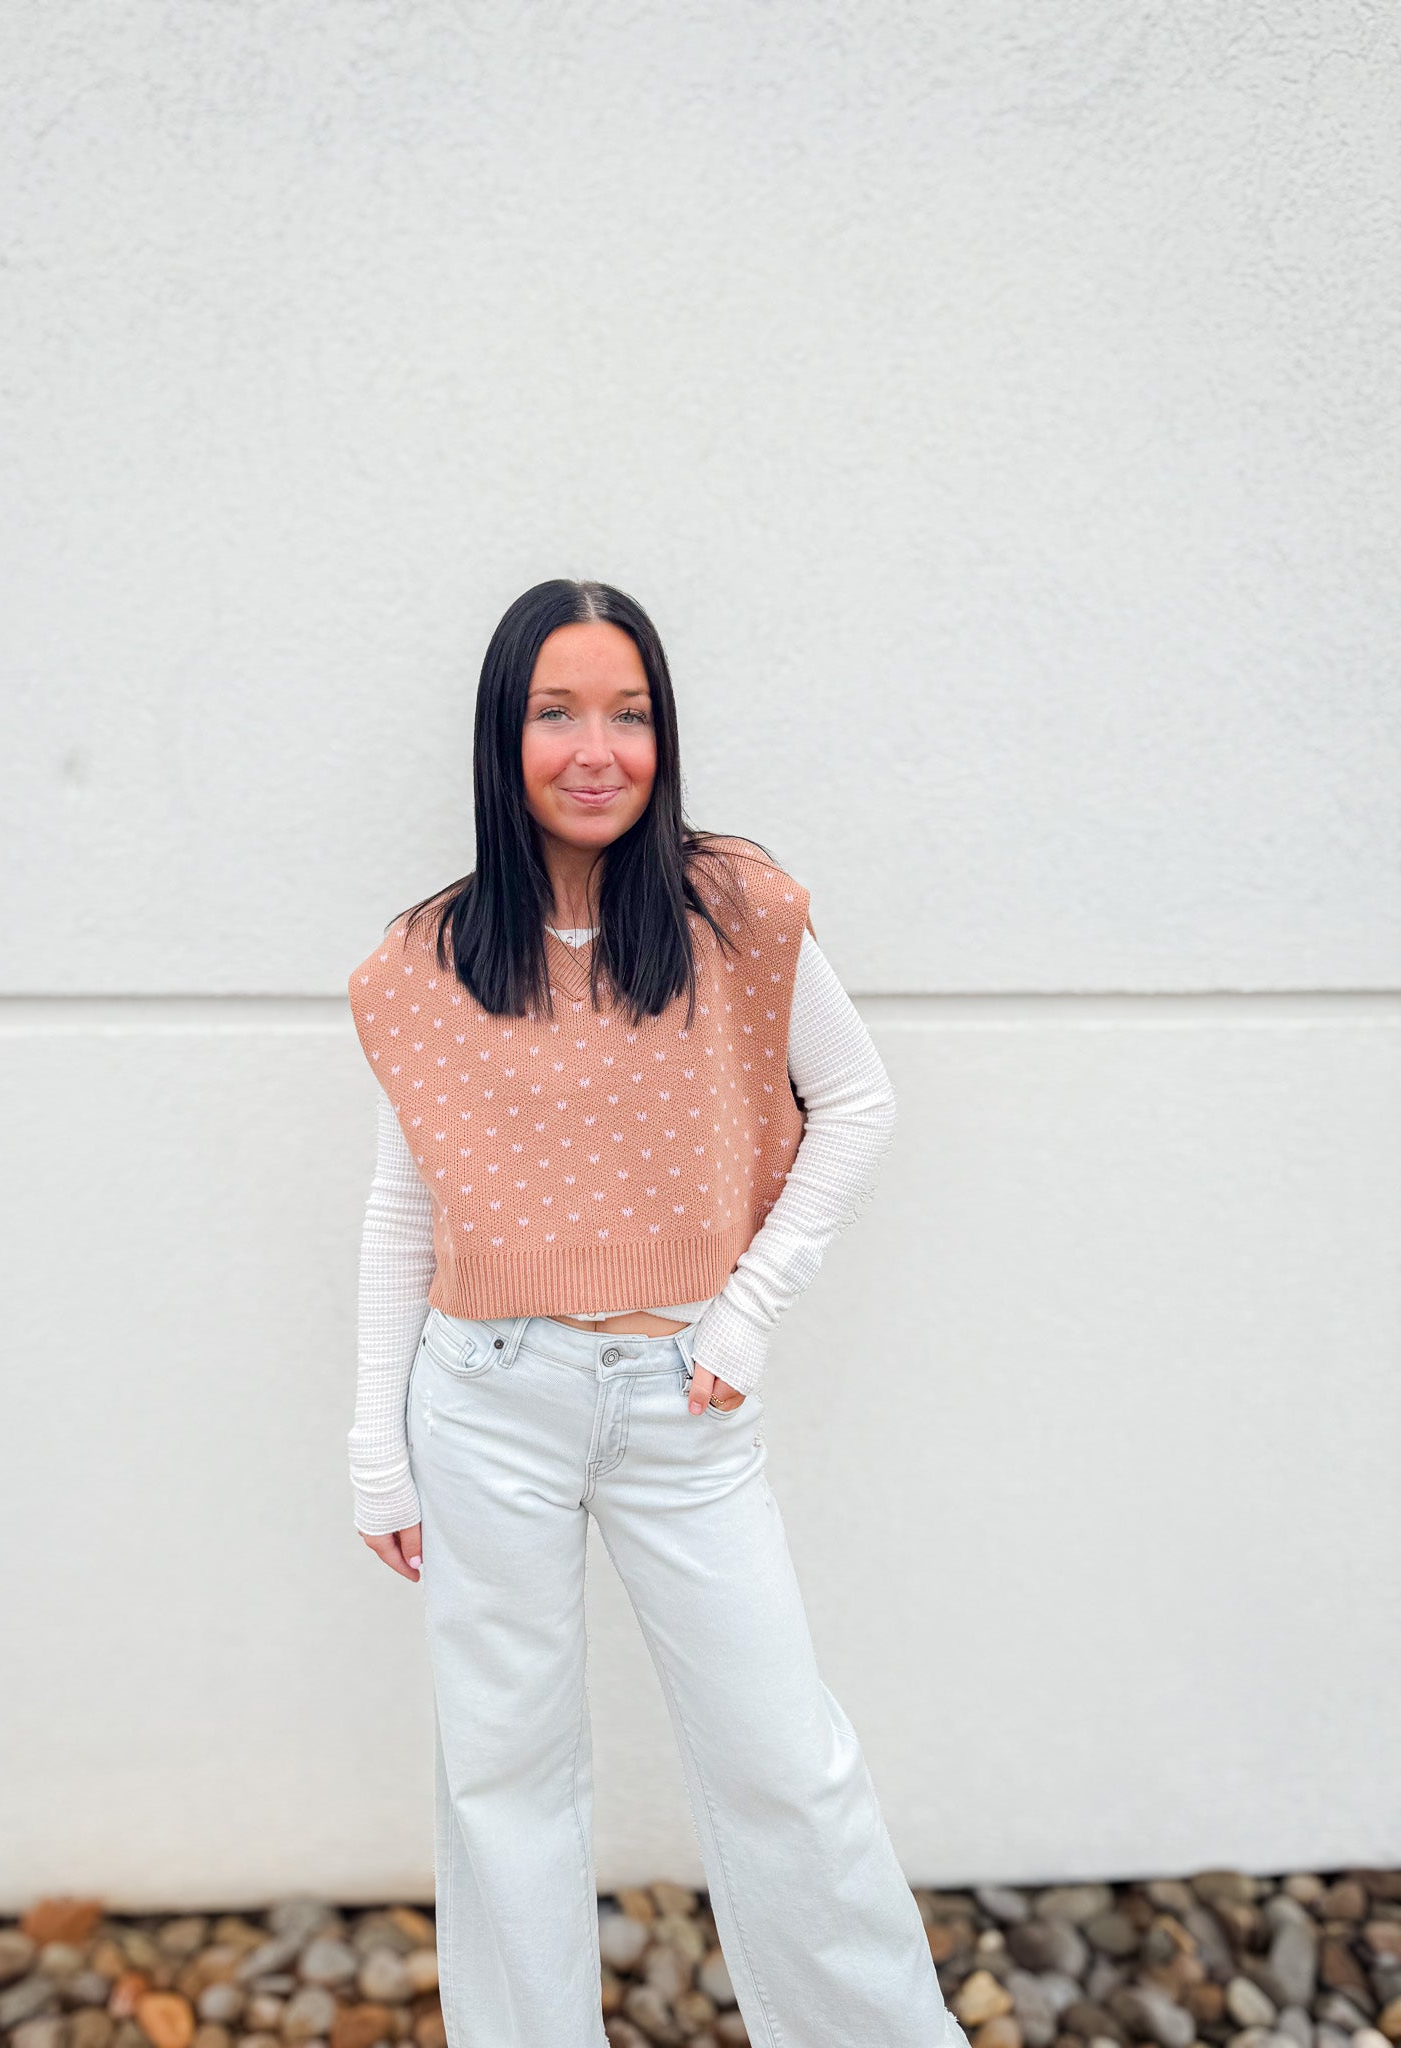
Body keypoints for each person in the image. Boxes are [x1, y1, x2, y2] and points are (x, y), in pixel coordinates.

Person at [346, 578, 969, 2048]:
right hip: (481, 1401)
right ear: (502, 737)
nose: (596, 749)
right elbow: (401, 1209)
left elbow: (858, 1105)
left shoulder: (734, 909)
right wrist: (375, 1441)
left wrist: (745, 1316)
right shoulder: (425, 962)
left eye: (627, 714)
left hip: (682, 1402)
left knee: (785, 1766)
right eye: (556, 712)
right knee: (501, 1778)